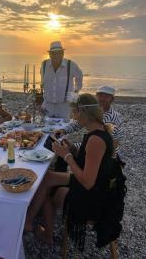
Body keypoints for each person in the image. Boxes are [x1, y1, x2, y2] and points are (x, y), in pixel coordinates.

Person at [25, 93, 126, 250]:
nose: (74, 117)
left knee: (48, 189)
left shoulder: (95, 140)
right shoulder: (97, 131)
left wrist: (66, 156)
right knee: (46, 179)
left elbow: (87, 182)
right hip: (97, 184)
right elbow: (90, 161)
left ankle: (40, 230)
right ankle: (30, 222)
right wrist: (71, 148)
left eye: (76, 113)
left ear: (84, 112)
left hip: (93, 197)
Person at [54, 86, 124, 171]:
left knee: (61, 156)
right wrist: (63, 130)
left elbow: (100, 146)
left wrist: (71, 150)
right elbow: (78, 123)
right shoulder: (95, 112)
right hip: (96, 149)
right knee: (62, 153)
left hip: (106, 159)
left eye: (106, 96)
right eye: (100, 95)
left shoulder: (111, 118)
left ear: (112, 99)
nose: (102, 98)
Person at [41, 41, 83, 120]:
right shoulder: (44, 65)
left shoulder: (71, 65)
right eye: (53, 53)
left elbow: (79, 76)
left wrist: (75, 92)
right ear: (49, 54)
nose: (56, 55)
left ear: (62, 53)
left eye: (58, 53)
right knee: (45, 129)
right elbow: (43, 81)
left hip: (65, 106)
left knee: (63, 130)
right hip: (48, 105)